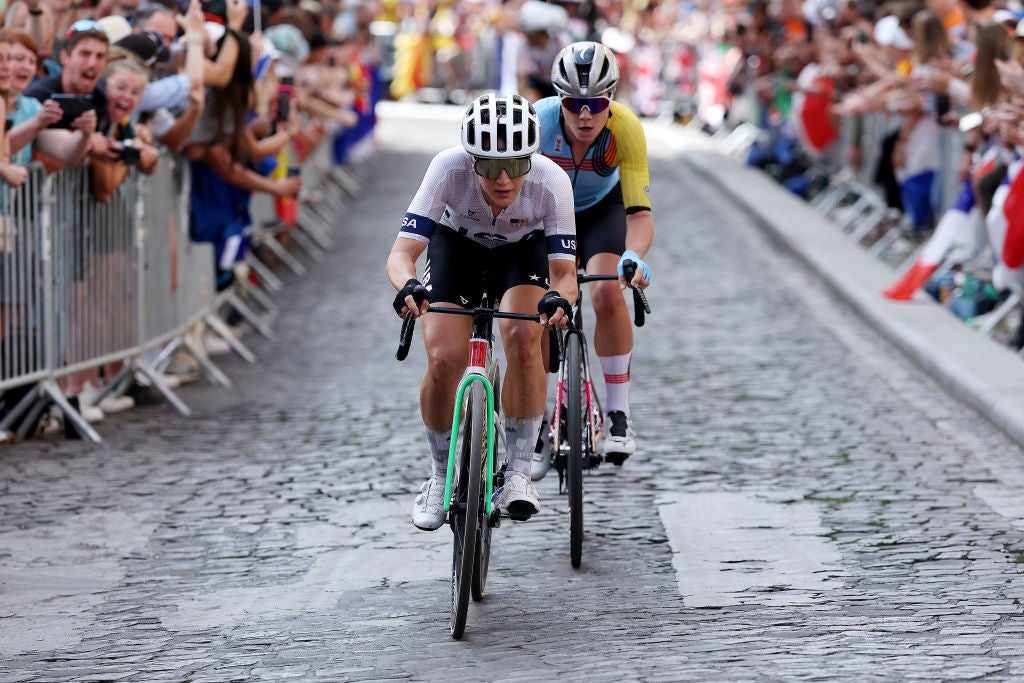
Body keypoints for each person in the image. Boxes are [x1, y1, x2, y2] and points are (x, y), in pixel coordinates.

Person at [386, 92, 578, 531]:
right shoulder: (447, 169)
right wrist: (407, 285)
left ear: (533, 158)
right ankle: (439, 476)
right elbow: (401, 253)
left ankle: (518, 474)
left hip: (522, 255)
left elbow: (565, 273)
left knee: (522, 338)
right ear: (472, 161)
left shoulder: (551, 182)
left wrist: (560, 298)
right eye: (491, 167)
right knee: (442, 357)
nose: (506, 178)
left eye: (517, 165)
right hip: (459, 249)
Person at [531, 41, 654, 478]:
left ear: (612, 100)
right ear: (558, 100)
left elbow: (638, 212)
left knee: (604, 289)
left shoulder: (627, 129)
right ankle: (537, 421)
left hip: (602, 210)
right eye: (574, 104)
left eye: (596, 104)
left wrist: (635, 256)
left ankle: (619, 417)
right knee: (542, 304)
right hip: (547, 213)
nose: (585, 115)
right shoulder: (538, 123)